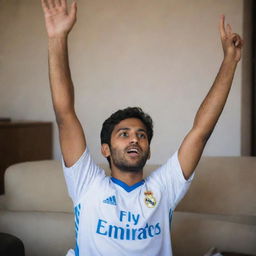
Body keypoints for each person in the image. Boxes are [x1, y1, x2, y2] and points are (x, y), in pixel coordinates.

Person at [41, 0, 243, 255]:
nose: (134, 140)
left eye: (141, 135)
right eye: (123, 134)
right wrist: (58, 37)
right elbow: (65, 115)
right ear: (105, 149)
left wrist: (230, 61)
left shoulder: (163, 188)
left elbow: (201, 131)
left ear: (148, 148)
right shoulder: (88, 184)